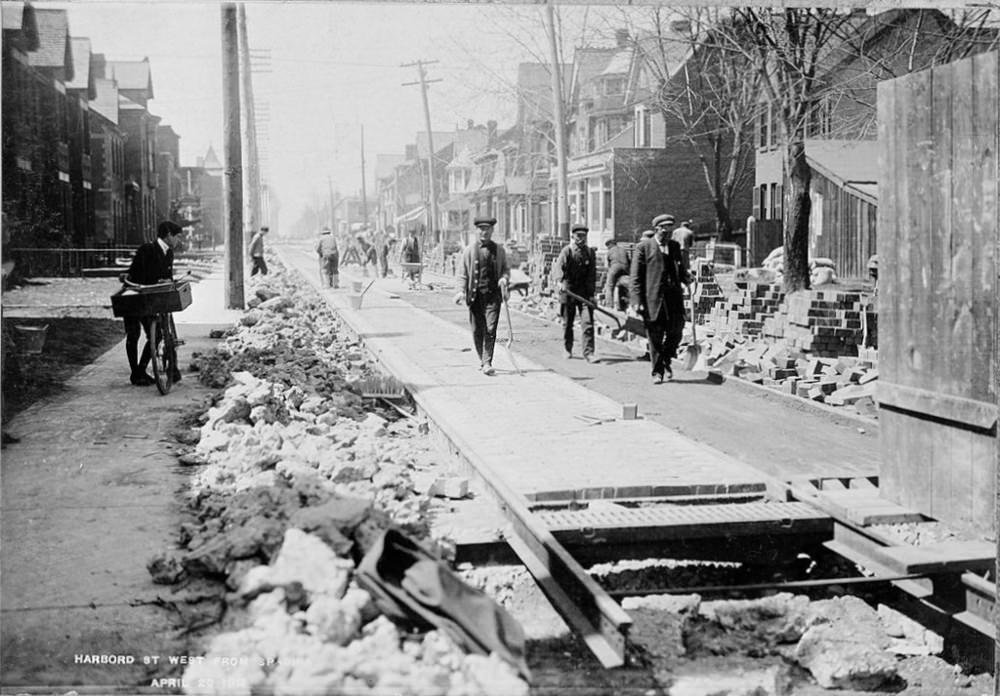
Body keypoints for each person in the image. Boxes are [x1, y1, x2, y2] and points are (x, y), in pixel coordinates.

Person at [630, 213, 692, 384]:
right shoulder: (644, 248)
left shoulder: (673, 246)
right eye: (664, 231)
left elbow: (679, 270)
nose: (667, 234)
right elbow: (635, 277)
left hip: (673, 299)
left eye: (670, 231)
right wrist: (636, 301)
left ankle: (665, 359)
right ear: (657, 229)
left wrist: (686, 277)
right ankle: (657, 372)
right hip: (652, 300)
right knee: (655, 337)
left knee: (676, 332)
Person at [123, 221, 184, 386]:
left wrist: (167, 281)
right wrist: (157, 280)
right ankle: (136, 373)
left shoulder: (169, 253)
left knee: (156, 336)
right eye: (177, 236)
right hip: (133, 296)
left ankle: (141, 370)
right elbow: (138, 275)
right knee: (133, 334)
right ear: (168, 235)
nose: (179, 240)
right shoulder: (147, 250)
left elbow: (166, 275)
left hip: (149, 299)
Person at [453, 216, 510, 376]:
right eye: (481, 229)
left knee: (491, 329)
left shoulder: (499, 251)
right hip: (475, 297)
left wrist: (504, 278)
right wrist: (460, 291)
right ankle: (482, 358)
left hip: (493, 297)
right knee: (477, 330)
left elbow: (505, 269)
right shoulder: (469, 251)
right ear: (476, 231)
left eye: (487, 229)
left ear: (492, 231)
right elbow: (462, 274)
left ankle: (487, 362)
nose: (484, 232)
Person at [554, 224, 597, 362]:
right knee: (568, 323)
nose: (581, 239)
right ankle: (567, 349)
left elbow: (592, 275)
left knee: (588, 323)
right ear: (573, 236)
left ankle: (589, 353)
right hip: (569, 291)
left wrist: (592, 294)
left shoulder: (590, 253)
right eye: (578, 236)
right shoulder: (567, 251)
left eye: (583, 236)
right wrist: (560, 282)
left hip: (584, 293)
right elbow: (558, 268)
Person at [603, 238, 631, 311]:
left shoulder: (610, 251)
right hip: (625, 267)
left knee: (609, 286)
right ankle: (623, 306)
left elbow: (609, 265)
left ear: (610, 245)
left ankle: (609, 307)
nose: (607, 248)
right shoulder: (623, 249)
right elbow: (629, 261)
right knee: (623, 286)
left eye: (607, 246)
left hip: (615, 267)